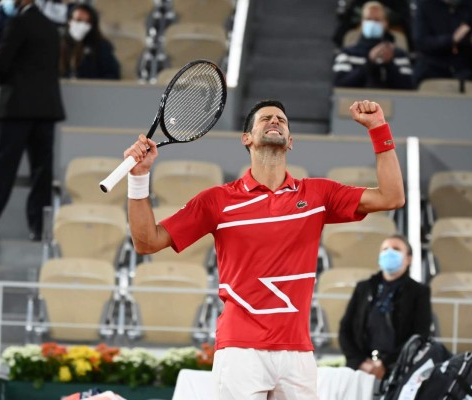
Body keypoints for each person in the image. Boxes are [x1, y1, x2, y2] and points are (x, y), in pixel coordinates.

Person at [123, 99, 405, 399]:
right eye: (265, 118)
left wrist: (378, 129)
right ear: (246, 138)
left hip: (297, 351)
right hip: (240, 350)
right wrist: (139, 177)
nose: (275, 121)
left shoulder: (319, 194)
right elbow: (147, 242)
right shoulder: (216, 200)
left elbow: (392, 197)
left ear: (291, 141)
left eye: (281, 120)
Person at [0, 0, 65, 241]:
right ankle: (38, 229)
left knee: (3, 168)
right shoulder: (50, 27)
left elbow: (1, 64)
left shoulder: (17, 23)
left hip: (16, 108)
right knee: (41, 172)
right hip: (47, 110)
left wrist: (2, 77)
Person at [338, 234, 432, 379]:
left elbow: (420, 335)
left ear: (408, 259)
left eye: (396, 249)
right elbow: (345, 329)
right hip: (361, 369)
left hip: (398, 369)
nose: (389, 252)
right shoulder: (363, 288)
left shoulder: (419, 292)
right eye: (385, 249)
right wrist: (361, 362)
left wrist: (386, 364)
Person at [412, 0, 472, 87]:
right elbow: (421, 42)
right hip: (433, 68)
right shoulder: (425, 5)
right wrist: (452, 40)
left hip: (467, 69)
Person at [333, 1, 414, 90]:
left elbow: (408, 89)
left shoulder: (399, 55)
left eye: (377, 20)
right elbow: (340, 86)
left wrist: (389, 64)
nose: (372, 23)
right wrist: (370, 62)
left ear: (385, 23)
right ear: (362, 23)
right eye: (368, 19)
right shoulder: (347, 54)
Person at [59, 3, 120, 80]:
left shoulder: (102, 46)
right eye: (78, 20)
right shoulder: (58, 44)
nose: (82, 25)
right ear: (69, 21)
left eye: (87, 22)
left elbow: (112, 75)